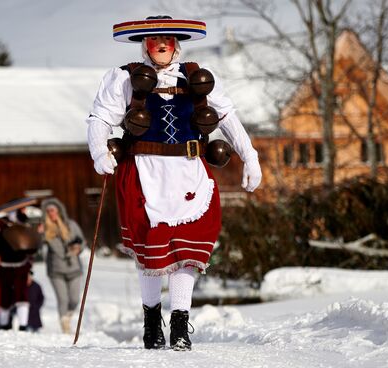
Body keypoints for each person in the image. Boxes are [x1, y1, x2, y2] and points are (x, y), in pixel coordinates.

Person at [86, 16, 262, 351]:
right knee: (148, 248)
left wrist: (249, 156)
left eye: (167, 38)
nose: (162, 44)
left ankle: (180, 323)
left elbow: (226, 116)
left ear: (177, 43)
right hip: (143, 171)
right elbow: (99, 118)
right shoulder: (124, 77)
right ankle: (152, 323)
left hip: (189, 170)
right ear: (145, 45)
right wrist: (99, 150)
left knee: (189, 247)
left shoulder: (196, 77)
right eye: (154, 40)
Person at [0, 197, 40, 331]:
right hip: (4, 267)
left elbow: (29, 250)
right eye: (23, 209)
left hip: (22, 267)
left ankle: (23, 326)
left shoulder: (24, 226)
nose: (25, 212)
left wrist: (29, 270)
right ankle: (5, 326)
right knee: (5, 296)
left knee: (22, 295)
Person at [40, 197, 86, 334]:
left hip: (74, 267)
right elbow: (38, 247)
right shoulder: (45, 229)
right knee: (63, 299)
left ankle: (67, 316)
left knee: (75, 299)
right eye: (48, 211)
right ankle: (65, 327)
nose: (51, 213)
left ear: (59, 211)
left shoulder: (71, 225)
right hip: (56, 270)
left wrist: (78, 248)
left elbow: (82, 241)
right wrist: (40, 234)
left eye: (53, 210)